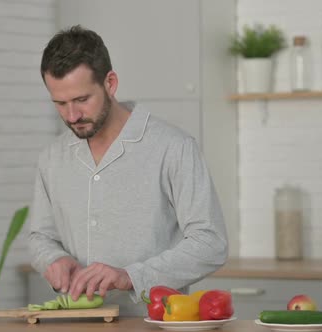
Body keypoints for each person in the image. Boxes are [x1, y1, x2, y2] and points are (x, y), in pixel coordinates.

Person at [28, 25, 228, 316]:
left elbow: (211, 243)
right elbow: (40, 237)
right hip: (75, 324)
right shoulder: (52, 157)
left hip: (155, 322)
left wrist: (130, 276)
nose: (72, 116)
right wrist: (53, 259)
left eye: (82, 100)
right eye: (60, 103)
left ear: (110, 83)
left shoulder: (173, 147)